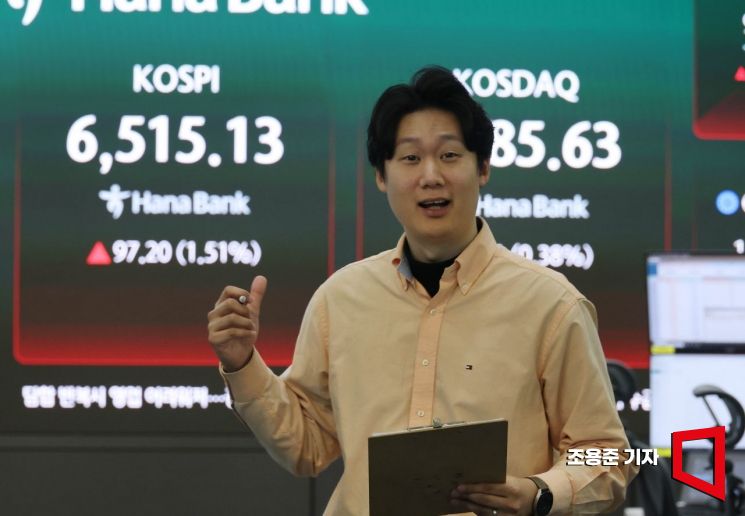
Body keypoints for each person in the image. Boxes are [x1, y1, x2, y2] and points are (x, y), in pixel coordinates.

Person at [207, 66, 637, 515]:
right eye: (410, 158)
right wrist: (241, 363)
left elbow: (608, 455)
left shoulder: (551, 304)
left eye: (449, 155)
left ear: (483, 167)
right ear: (381, 175)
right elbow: (306, 446)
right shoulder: (340, 300)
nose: (431, 175)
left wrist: (540, 492)